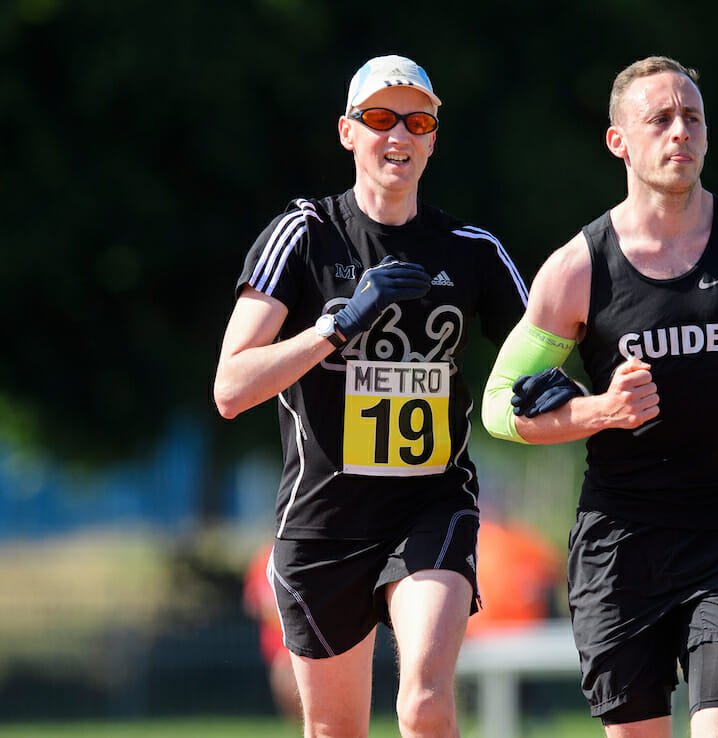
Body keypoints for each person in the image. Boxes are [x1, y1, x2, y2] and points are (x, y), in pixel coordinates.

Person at [482, 56, 718, 738]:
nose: (680, 132)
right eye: (660, 120)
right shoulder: (576, 269)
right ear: (620, 140)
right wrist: (601, 411)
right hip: (621, 542)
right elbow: (499, 406)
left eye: (693, 118)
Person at [213, 54, 528, 738]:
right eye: (380, 118)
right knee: (335, 730)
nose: (400, 135)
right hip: (323, 520)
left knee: (422, 704)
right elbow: (231, 389)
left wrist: (566, 387)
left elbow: (541, 352)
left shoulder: (471, 250)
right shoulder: (302, 236)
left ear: (433, 139)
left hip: (430, 505)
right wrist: (337, 324)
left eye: (418, 121)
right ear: (347, 132)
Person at [243, 543, 302, 722]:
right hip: (276, 642)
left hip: (299, 638)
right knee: (286, 691)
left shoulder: (300, 553)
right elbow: (251, 602)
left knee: (295, 685)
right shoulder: (262, 559)